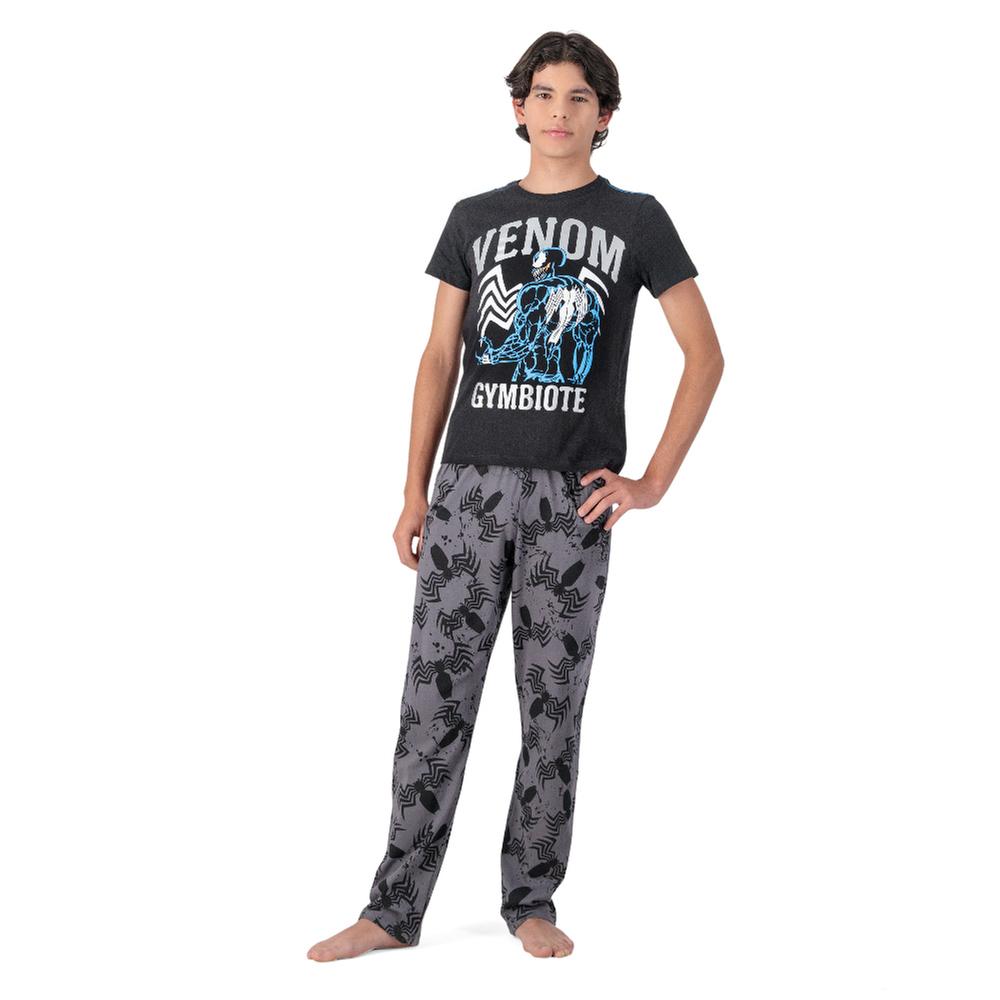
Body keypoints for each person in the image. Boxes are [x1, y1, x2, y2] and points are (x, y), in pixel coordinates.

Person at [307, 30, 723, 962]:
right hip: (468, 490)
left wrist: (653, 480)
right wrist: (413, 490)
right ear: (518, 107)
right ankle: (392, 909)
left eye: (579, 98)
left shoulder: (637, 219)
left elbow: (706, 354)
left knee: (552, 705)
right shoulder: (474, 217)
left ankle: (530, 898)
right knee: (433, 699)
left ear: (605, 115)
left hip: (574, 500)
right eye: (543, 95)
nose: (559, 112)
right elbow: (438, 358)